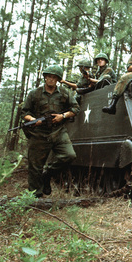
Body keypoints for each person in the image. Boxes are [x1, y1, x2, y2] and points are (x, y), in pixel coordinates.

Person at [21, 65, 80, 197]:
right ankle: (36, 196)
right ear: (45, 77)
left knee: (69, 155)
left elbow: (75, 109)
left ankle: (47, 174)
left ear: (58, 79)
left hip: (58, 131)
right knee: (35, 166)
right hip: (39, 133)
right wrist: (33, 119)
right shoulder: (34, 93)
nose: (51, 80)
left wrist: (62, 116)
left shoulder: (65, 93)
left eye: (54, 77)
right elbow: (24, 112)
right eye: (49, 77)